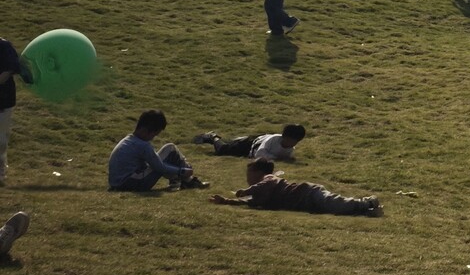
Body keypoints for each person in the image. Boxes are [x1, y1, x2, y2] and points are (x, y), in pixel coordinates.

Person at [211, 156, 381, 216]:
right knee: (336, 210)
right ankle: (366, 211)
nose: (247, 178)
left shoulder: (268, 179)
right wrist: (226, 201)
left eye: (249, 174)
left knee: (336, 203)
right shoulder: (259, 195)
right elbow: (249, 202)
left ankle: (366, 202)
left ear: (259, 172)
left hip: (308, 193)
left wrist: (246, 190)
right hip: (306, 205)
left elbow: (264, 185)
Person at [108, 110, 202, 192]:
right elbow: (159, 167)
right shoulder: (143, 145)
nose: (153, 138)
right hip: (132, 183)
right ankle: (189, 180)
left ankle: (183, 180)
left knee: (167, 152)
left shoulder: (128, 140)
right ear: (145, 130)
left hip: (118, 183)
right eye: (154, 134)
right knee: (170, 149)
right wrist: (181, 171)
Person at [192, 123, 305, 160]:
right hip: (249, 144)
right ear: (285, 137)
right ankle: (213, 136)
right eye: (292, 140)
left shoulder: (290, 149)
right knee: (223, 150)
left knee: (230, 147)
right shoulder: (273, 139)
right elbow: (259, 154)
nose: (293, 144)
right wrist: (275, 158)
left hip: (250, 149)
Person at [0, 35, 26, 185]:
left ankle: (1, 173)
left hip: (3, 100)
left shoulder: (4, 47)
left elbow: (9, 70)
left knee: (0, 139)